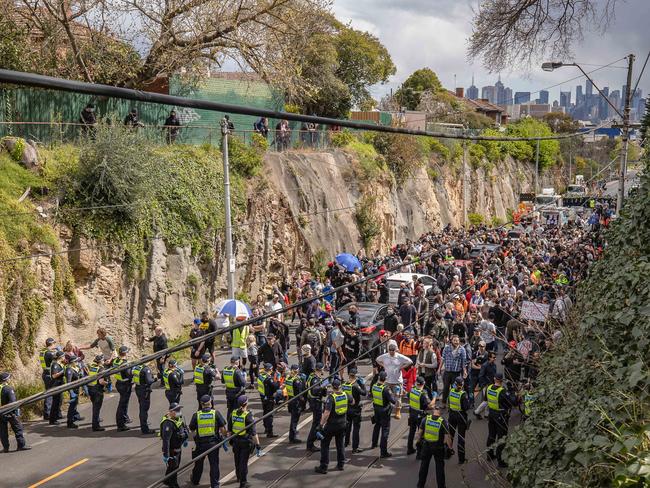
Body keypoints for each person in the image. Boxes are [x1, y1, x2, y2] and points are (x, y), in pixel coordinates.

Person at [189, 395, 228, 488]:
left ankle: (195, 480)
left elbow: (192, 430)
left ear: (201, 404)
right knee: (214, 465)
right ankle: (215, 485)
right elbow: (222, 428)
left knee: (198, 463)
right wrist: (224, 437)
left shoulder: (196, 415)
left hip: (200, 444)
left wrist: (196, 439)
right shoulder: (216, 413)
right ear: (210, 403)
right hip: (213, 444)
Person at [314, 377, 349, 474]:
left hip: (331, 425)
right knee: (340, 444)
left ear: (332, 387)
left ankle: (324, 466)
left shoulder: (331, 398)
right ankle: (341, 464)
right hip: (342, 424)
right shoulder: (345, 395)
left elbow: (326, 413)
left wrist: (320, 425)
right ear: (340, 386)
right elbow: (353, 401)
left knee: (324, 445)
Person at [415, 405, 453, 488]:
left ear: (433, 411)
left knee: (424, 466)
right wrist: (450, 448)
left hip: (426, 446)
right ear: (441, 413)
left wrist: (418, 443)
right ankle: (441, 486)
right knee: (439, 468)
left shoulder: (426, 419)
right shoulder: (443, 422)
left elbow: (419, 433)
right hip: (438, 448)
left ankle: (420, 485)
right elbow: (447, 437)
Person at [375, 340, 413, 419]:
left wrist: (401, 367)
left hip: (397, 382)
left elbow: (410, 361)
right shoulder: (385, 356)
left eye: (393, 351)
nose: (391, 352)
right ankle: (387, 409)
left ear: (395, 350)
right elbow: (377, 359)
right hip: (387, 381)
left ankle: (398, 411)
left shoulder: (399, 357)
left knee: (398, 397)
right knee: (386, 396)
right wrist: (383, 365)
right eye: (390, 351)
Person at [486, 373, 516, 467]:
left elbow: (486, 399)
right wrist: (511, 390)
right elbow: (512, 402)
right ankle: (501, 461)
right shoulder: (502, 391)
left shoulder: (489, 388)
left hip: (491, 414)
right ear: (501, 380)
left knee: (491, 435)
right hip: (501, 416)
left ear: (494, 379)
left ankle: (489, 455)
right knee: (501, 438)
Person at [231, 396, 261, 488]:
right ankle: (243, 483)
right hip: (245, 441)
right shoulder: (248, 415)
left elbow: (229, 429)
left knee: (237, 460)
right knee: (243, 462)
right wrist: (258, 444)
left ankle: (238, 477)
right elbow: (254, 433)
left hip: (235, 441)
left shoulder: (233, 413)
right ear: (246, 404)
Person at [0, 372, 30, 452]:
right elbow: (13, 402)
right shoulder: (8, 389)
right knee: (18, 428)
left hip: (1, 413)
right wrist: (16, 411)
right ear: (5, 380)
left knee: (3, 431)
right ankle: (21, 445)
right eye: (8, 378)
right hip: (9, 412)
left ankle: (5, 448)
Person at [161, 403, 189, 488]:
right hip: (172, 450)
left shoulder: (178, 419)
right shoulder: (168, 423)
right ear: (171, 412)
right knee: (174, 468)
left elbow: (183, 428)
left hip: (178, 447)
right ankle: (173, 484)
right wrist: (166, 455)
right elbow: (166, 440)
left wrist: (185, 438)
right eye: (177, 410)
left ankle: (167, 480)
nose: (179, 412)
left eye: (179, 410)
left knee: (174, 466)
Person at [370, 371, 396, 458]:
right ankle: (383, 452)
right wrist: (395, 394)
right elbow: (393, 401)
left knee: (377, 426)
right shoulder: (385, 389)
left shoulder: (374, 386)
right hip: (385, 411)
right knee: (385, 431)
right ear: (385, 379)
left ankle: (374, 443)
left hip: (376, 409)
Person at [407, 376, 434, 456]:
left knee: (411, 432)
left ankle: (409, 449)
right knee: (421, 434)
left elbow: (408, 396)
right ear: (424, 383)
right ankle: (419, 453)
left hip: (412, 414)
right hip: (420, 416)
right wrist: (434, 398)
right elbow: (430, 406)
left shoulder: (412, 390)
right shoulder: (423, 393)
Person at [448, 376, 471, 464]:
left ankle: (448, 452)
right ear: (462, 384)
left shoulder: (451, 391)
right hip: (461, 416)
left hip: (452, 415)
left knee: (451, 435)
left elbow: (449, 402)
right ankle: (461, 459)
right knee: (461, 438)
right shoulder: (463, 394)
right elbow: (466, 407)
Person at [343, 368, 366, 453]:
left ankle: (346, 442)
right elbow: (364, 393)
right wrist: (362, 384)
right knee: (356, 428)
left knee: (347, 426)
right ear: (356, 376)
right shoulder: (355, 386)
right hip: (355, 409)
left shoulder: (345, 384)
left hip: (347, 408)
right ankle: (355, 448)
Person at [440, 335, 467, 408]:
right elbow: (443, 358)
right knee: (445, 388)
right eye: (454, 340)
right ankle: (443, 403)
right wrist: (439, 369)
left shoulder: (462, 349)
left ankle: (451, 404)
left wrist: (464, 371)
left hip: (456, 373)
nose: (456, 342)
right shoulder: (446, 348)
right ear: (451, 341)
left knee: (454, 389)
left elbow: (464, 362)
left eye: (457, 340)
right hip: (447, 372)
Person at [306, 362, 327, 452]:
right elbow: (314, 390)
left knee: (318, 421)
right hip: (315, 402)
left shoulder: (312, 376)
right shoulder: (315, 379)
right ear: (321, 369)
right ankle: (310, 444)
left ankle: (317, 435)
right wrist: (322, 386)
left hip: (314, 401)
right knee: (316, 423)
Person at [132, 359, 157, 434]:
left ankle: (143, 424)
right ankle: (145, 428)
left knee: (142, 407)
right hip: (144, 390)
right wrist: (155, 379)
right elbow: (149, 381)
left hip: (138, 388)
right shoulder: (146, 369)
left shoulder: (137, 367)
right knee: (144, 409)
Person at [113, 345, 133, 431]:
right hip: (125, 384)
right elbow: (129, 374)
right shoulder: (124, 363)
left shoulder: (116, 360)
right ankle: (120, 425)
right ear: (125, 353)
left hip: (119, 383)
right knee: (122, 404)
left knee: (124, 403)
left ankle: (125, 418)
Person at [222, 356, 247, 423]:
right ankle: (235, 424)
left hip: (228, 393)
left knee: (230, 409)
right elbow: (243, 383)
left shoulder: (225, 369)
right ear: (237, 362)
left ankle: (229, 423)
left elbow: (222, 381)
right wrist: (244, 375)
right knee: (237, 410)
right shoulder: (237, 371)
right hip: (237, 394)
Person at [257, 363, 279, 437]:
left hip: (263, 397)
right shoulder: (269, 379)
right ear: (270, 369)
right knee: (269, 415)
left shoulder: (260, 376)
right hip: (269, 398)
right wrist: (278, 380)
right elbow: (276, 386)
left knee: (265, 413)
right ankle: (270, 432)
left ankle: (266, 428)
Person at [87, 354, 107, 431]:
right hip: (97, 390)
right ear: (101, 361)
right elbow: (101, 381)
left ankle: (96, 422)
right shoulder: (101, 369)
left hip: (91, 389)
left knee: (95, 407)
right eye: (103, 360)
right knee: (96, 409)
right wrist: (107, 383)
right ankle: (95, 426)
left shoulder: (93, 367)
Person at [285, 364, 304, 443]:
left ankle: (293, 433)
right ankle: (292, 437)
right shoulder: (296, 381)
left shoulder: (288, 378)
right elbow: (300, 392)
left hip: (290, 399)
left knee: (293, 419)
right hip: (296, 402)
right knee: (294, 420)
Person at [39, 337, 57, 421]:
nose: (55, 345)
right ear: (52, 344)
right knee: (50, 394)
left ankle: (48, 413)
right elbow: (57, 359)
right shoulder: (49, 353)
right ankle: (48, 414)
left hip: (45, 373)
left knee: (48, 393)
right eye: (54, 343)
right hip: (49, 375)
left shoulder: (43, 351)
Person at [64, 355, 83, 428]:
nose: (77, 362)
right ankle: (70, 422)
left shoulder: (76, 368)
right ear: (72, 362)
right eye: (76, 361)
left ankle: (74, 418)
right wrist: (71, 392)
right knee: (72, 406)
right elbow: (68, 382)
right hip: (73, 390)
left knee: (75, 405)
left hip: (77, 389)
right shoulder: (69, 370)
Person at [48, 350, 65, 425]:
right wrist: (62, 372)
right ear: (60, 357)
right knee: (55, 402)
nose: (64, 357)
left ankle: (56, 416)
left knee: (59, 401)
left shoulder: (59, 364)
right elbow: (54, 375)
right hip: (55, 385)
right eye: (63, 356)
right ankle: (52, 420)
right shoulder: (55, 365)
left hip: (59, 384)